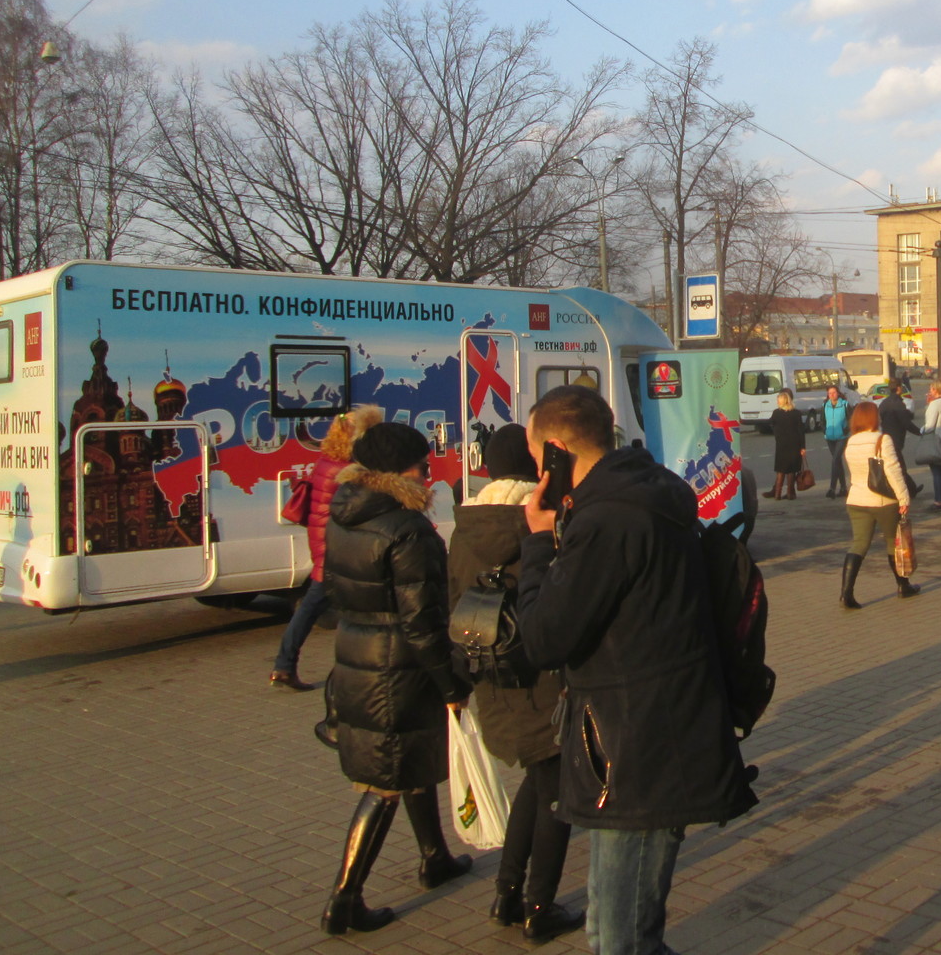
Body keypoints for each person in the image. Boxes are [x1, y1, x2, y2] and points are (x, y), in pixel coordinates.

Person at [512, 387, 758, 955]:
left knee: (620, 938)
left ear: (554, 450)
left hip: (643, 748)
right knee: (613, 931)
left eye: (534, 455)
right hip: (634, 740)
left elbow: (545, 637)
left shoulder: (611, 518)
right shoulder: (641, 494)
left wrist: (536, 546)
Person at [320, 422, 472, 935]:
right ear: (402, 471)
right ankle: (345, 898)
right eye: (423, 464)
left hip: (356, 653)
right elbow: (423, 622)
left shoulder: (345, 514)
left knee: (410, 760)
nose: (429, 472)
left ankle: (435, 856)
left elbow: (335, 593)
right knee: (383, 781)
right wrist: (452, 684)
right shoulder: (407, 529)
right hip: (397, 668)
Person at [445, 424, 583, 944]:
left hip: (491, 672)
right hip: (543, 674)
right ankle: (539, 907)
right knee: (557, 790)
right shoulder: (541, 523)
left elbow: (453, 599)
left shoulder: (467, 525)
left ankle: (506, 892)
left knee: (537, 775)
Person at [271, 404, 382, 691]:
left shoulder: (325, 462)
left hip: (322, 544)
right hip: (337, 548)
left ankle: (284, 666)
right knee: (358, 611)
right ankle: (359, 671)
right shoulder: (349, 470)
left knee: (309, 609)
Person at [840, 400, 919, 608]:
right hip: (882, 501)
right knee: (894, 541)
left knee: (859, 544)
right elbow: (893, 471)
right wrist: (904, 498)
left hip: (856, 500)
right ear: (875, 418)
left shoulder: (851, 442)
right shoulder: (882, 440)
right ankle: (903, 586)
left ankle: (846, 594)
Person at [878, 380, 921, 495]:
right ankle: (910, 490)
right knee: (899, 467)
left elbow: (879, 419)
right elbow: (906, 423)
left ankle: (911, 489)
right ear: (899, 388)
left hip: (885, 438)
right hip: (895, 440)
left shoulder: (884, 403)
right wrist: (920, 432)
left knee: (898, 465)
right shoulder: (898, 404)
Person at [764, 390, 807, 500]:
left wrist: (777, 433)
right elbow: (800, 430)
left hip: (781, 444)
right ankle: (790, 493)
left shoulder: (776, 413)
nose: (777, 402)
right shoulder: (796, 413)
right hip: (794, 443)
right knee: (791, 469)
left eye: (778, 400)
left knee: (781, 469)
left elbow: (770, 423)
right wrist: (803, 446)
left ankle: (777, 494)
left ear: (783, 401)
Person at [921, 378, 941, 510]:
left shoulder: (934, 405)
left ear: (935, 390)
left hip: (936, 443)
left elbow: (929, 426)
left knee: (936, 473)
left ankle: (938, 501)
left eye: (931, 389)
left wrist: (921, 430)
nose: (929, 391)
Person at [823, 384, 852, 499]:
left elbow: (851, 419)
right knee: (837, 461)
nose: (832, 395)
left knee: (835, 459)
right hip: (830, 438)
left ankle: (832, 488)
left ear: (838, 393)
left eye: (834, 393)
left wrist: (845, 431)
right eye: (830, 393)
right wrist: (824, 430)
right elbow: (822, 420)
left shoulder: (844, 404)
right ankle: (844, 488)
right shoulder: (825, 405)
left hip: (841, 437)